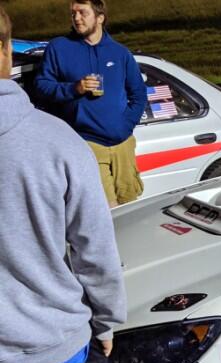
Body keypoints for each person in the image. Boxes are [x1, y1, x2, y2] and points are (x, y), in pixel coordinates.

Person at [0, 8, 135, 363]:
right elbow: (96, 253)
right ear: (7, 51)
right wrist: (106, 324)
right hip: (62, 348)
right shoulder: (57, 141)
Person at [34, 0, 147, 208]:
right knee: (105, 210)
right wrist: (73, 89)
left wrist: (126, 125)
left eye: (82, 13)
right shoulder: (59, 48)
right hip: (88, 143)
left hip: (123, 144)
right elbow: (41, 87)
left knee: (129, 206)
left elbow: (139, 94)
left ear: (100, 17)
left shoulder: (120, 53)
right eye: (73, 13)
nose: (77, 18)